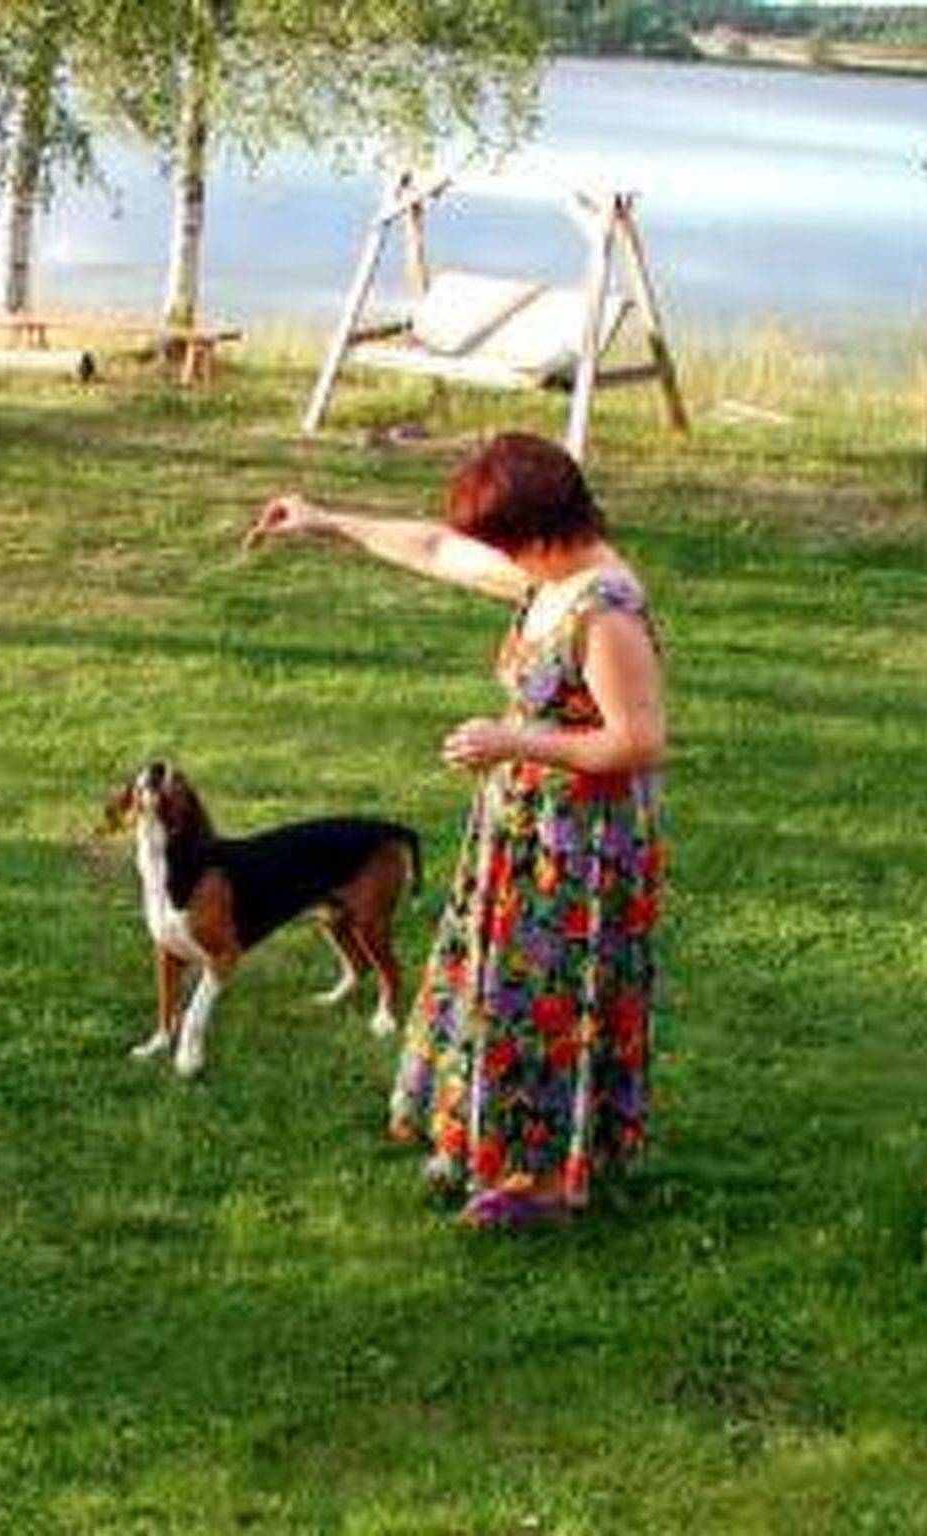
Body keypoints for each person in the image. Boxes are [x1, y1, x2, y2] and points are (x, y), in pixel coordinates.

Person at [244, 432, 666, 1230]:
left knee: (546, 996)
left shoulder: (605, 609)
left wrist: (514, 740)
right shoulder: (550, 575)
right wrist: (325, 520)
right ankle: (494, 1142)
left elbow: (639, 741)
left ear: (539, 531)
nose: (494, 555)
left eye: (503, 539)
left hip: (582, 844)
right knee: (503, 986)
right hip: (528, 824)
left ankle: (547, 1183)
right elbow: (438, 548)